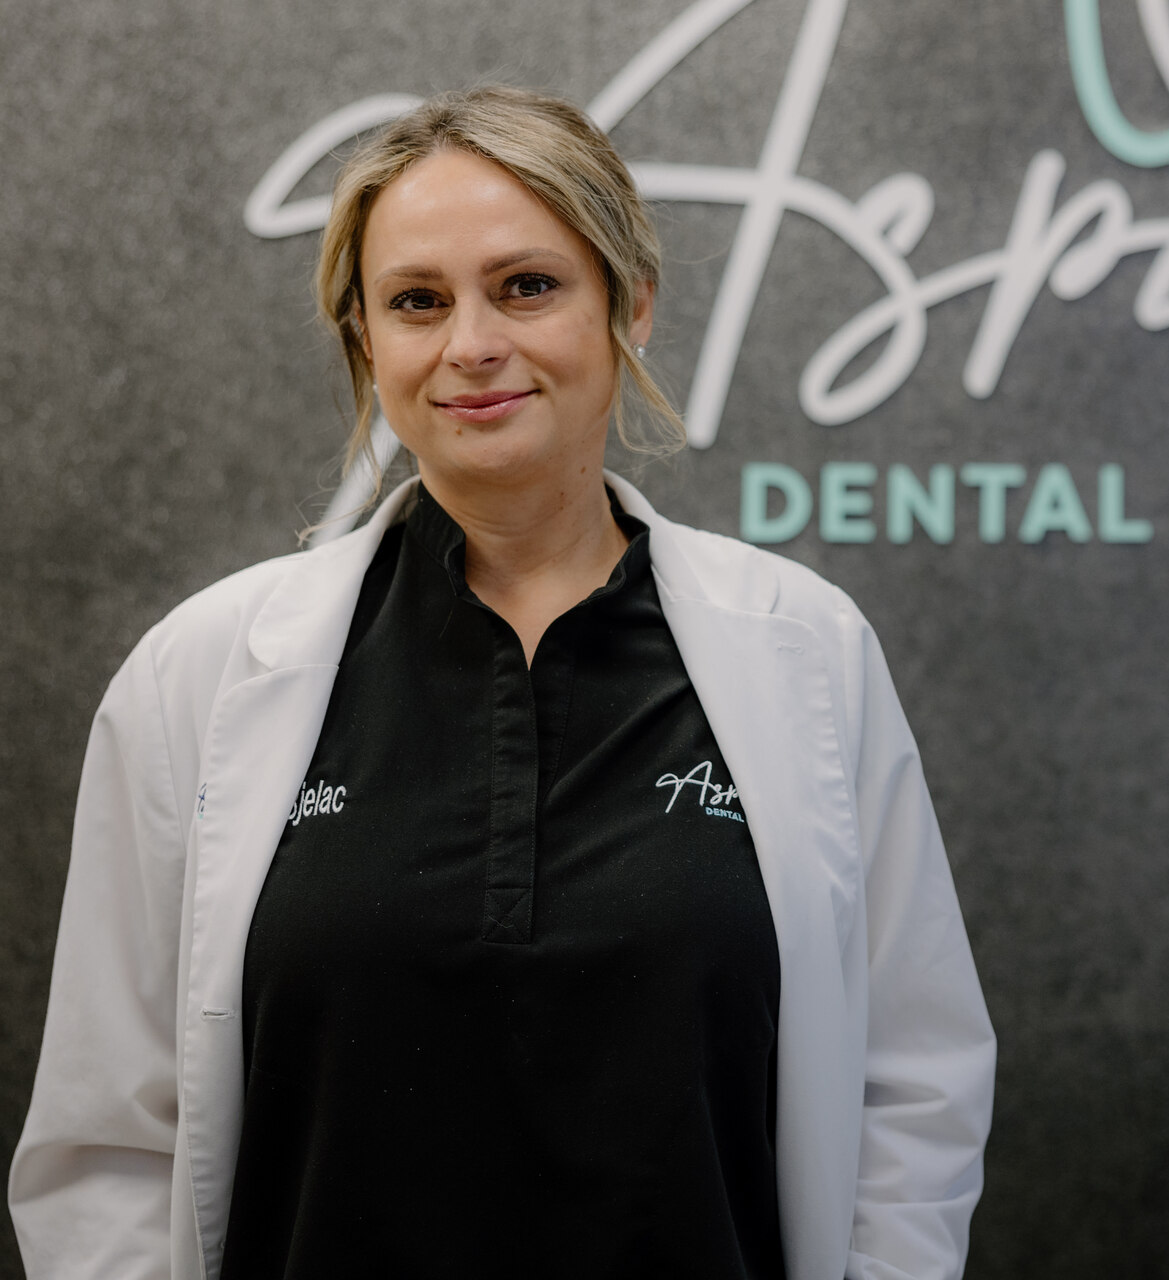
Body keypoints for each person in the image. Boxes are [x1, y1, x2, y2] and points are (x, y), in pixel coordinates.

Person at [7, 86, 995, 1279]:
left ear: (629, 304)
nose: (472, 343)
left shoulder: (806, 650)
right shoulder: (200, 675)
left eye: (527, 285)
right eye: (417, 301)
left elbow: (915, 1087)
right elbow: (107, 1139)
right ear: (367, 341)